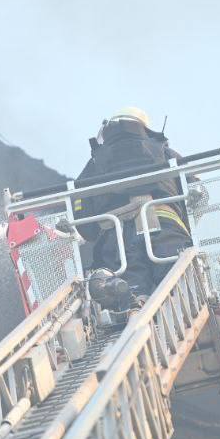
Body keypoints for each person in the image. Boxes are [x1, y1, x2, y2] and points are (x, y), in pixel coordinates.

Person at [72, 107, 192, 309]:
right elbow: (197, 191)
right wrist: (187, 222)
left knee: (131, 294)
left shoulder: (94, 164)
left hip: (117, 237)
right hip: (167, 228)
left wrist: (96, 230)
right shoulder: (164, 152)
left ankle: (136, 307)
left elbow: (81, 212)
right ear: (144, 127)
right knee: (178, 286)